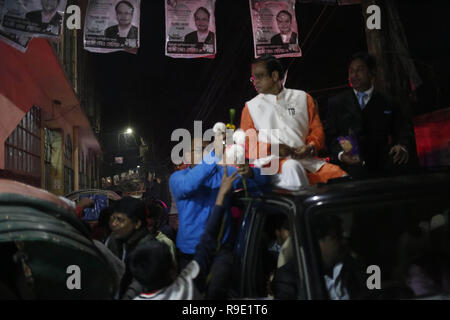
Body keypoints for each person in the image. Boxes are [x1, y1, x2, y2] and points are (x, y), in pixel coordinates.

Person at [130, 167, 239, 299]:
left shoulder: (134, 297)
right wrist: (221, 196)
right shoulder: (183, 290)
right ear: (171, 270)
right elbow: (207, 240)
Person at [240, 55, 347, 190]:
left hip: (306, 161)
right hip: (272, 165)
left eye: (260, 76)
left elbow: (317, 131)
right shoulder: (250, 107)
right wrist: (275, 148)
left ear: (274, 76)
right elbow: (250, 145)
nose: (256, 81)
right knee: (293, 168)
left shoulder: (303, 98)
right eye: (254, 77)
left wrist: (310, 147)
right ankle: (304, 209)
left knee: (342, 178)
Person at [169, 137, 271, 270]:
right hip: (190, 253)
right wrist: (214, 155)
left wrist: (252, 173)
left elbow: (266, 180)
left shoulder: (224, 173)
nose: (207, 152)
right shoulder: (177, 178)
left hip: (220, 251)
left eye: (209, 148)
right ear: (188, 155)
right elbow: (188, 185)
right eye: (201, 149)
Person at [325, 52, 415, 178]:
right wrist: (341, 154)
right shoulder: (336, 103)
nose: (354, 75)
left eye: (359, 70)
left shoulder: (388, 102)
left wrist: (402, 145)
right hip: (347, 170)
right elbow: (329, 136)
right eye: (351, 71)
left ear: (371, 73)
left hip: (382, 168)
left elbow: (403, 129)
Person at [104, 196, 156, 299]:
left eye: (120, 220)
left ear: (137, 224)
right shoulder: (116, 241)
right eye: (112, 219)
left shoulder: (150, 251)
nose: (114, 224)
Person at [312, 214, 369, 300]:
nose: (343, 242)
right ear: (319, 242)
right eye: (336, 237)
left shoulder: (352, 267)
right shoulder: (297, 279)